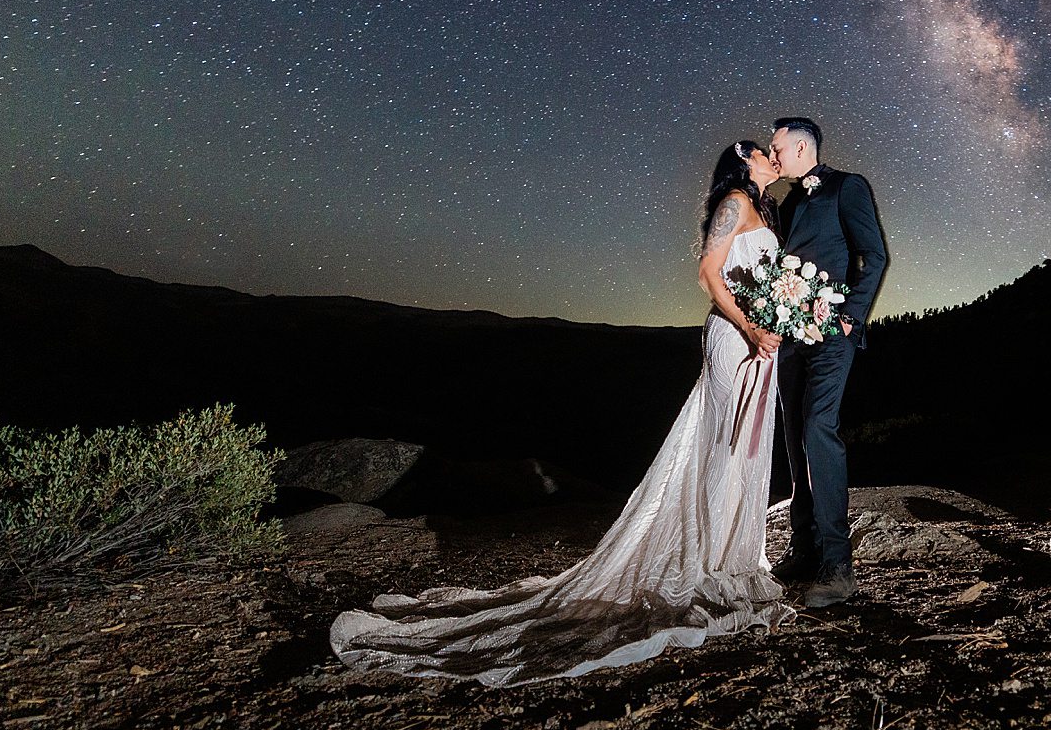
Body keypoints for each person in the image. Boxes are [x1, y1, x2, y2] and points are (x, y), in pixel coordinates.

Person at [329, 141, 793, 685]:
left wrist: (779, 316)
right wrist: (749, 326)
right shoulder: (735, 201)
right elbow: (710, 271)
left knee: (748, 445)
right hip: (735, 336)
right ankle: (706, 556)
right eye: (767, 150)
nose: (776, 156)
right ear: (746, 158)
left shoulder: (765, 209)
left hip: (762, 340)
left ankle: (734, 549)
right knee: (722, 441)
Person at [766, 116, 888, 608]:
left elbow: (873, 256)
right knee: (795, 436)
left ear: (800, 147)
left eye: (777, 147)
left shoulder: (847, 187)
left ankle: (839, 564)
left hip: (832, 332)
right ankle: (805, 547)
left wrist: (849, 318)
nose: (773, 156)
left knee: (819, 426)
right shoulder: (788, 200)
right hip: (790, 336)